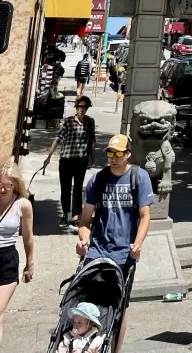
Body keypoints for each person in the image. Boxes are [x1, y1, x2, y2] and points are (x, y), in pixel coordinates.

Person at [76, 134, 154, 353]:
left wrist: (137, 244)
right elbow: (84, 221)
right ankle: (91, 347)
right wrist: (83, 241)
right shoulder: (98, 179)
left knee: (120, 306)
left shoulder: (139, 177)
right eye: (110, 153)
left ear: (128, 154)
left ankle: (115, 350)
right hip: (97, 252)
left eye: (119, 153)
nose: (114, 158)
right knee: (91, 305)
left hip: (124, 254)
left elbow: (145, 215)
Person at [43, 96, 96, 231]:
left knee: (78, 190)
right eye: (79, 107)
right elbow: (58, 138)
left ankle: (76, 217)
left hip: (81, 160)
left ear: (87, 108)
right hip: (66, 160)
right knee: (65, 189)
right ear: (76, 108)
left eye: (84, 107)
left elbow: (92, 141)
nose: (81, 110)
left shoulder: (90, 122)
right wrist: (49, 156)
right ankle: (65, 214)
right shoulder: (68, 122)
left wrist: (92, 157)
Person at [0, 159, 34, 344]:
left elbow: (28, 238)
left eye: (8, 185)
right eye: (0, 184)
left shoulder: (23, 205)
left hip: (7, 261)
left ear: (16, 184)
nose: (3, 189)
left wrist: (30, 265)